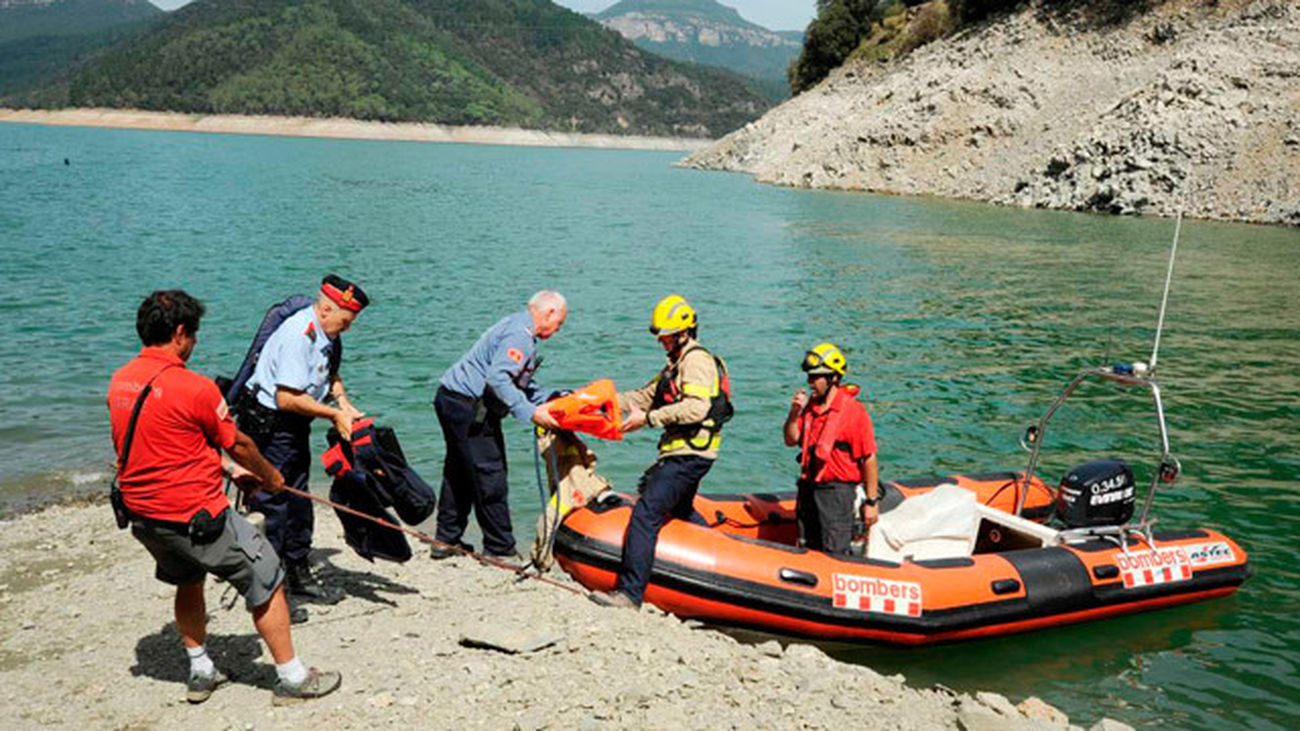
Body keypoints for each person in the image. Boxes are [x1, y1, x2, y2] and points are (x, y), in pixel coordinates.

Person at [107, 290, 341, 705]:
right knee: (267, 574)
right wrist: (270, 477)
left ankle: (201, 671)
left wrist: (230, 472)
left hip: (143, 517)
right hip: (194, 517)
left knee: (188, 579)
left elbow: (164, 445)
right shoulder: (195, 388)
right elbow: (241, 444)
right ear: (180, 333)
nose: (195, 342)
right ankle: (292, 678)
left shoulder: (121, 381)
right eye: (194, 334)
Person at [590, 295, 731, 609]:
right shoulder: (676, 363)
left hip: (691, 454)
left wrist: (649, 419)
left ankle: (630, 594)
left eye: (666, 336)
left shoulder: (696, 361)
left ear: (684, 333)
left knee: (646, 513)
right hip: (682, 452)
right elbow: (644, 396)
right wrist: (601, 402)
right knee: (681, 510)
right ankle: (719, 557)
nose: (661, 341)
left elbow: (696, 408)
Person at [241, 275, 369, 604]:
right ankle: (271, 591)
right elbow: (286, 398)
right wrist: (334, 416)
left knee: (298, 499)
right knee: (274, 504)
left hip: (294, 425)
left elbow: (329, 370)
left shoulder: (326, 332)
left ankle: (298, 572)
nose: (347, 329)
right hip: (271, 426)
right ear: (326, 309)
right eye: (345, 322)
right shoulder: (299, 335)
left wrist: (342, 401)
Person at [431, 290, 567, 560]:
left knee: (460, 471)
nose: (558, 329)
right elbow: (498, 379)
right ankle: (499, 548)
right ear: (549, 312)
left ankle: (446, 539)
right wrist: (531, 413)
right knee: (490, 475)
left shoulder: (515, 325)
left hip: (451, 399)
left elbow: (517, 380)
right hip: (469, 407)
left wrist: (551, 398)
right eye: (559, 323)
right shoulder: (520, 335)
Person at [782, 342, 880, 556]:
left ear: (833, 378)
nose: (810, 382)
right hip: (808, 489)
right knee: (807, 547)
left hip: (837, 493)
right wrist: (794, 413)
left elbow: (869, 458)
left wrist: (871, 502)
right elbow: (791, 440)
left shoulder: (853, 412)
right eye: (809, 377)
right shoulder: (811, 408)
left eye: (815, 377)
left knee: (834, 550)